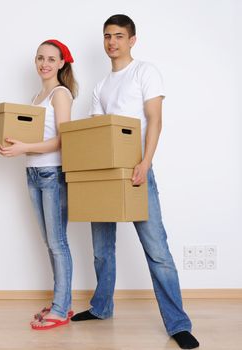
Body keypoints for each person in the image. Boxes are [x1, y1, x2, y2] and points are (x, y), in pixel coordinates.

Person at [70, 15, 200, 349]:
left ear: (132, 40)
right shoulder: (101, 86)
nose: (112, 42)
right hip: (105, 175)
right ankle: (101, 307)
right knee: (101, 249)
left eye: (118, 36)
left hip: (138, 169)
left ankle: (178, 324)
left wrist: (145, 162)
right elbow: (100, 134)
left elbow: (155, 120)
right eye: (107, 36)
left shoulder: (145, 72)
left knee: (157, 249)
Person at [0, 39, 78, 330]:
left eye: (51, 59)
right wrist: (13, 146)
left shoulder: (60, 94)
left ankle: (60, 307)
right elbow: (33, 139)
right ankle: (63, 301)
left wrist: (24, 148)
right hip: (33, 173)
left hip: (52, 174)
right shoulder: (36, 96)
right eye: (40, 58)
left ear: (61, 63)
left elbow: (63, 139)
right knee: (50, 242)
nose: (44, 63)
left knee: (58, 243)